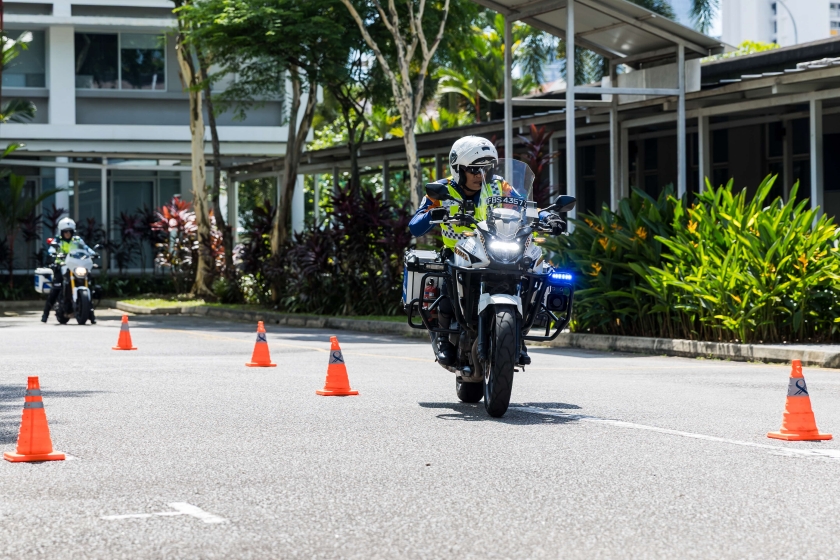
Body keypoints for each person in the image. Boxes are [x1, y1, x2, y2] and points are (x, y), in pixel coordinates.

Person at [409, 135, 531, 367]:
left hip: (492, 250)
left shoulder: (499, 186)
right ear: (458, 169)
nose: (480, 175)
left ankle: (518, 336)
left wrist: (546, 216)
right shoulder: (442, 190)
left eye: (486, 169)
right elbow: (415, 226)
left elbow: (524, 206)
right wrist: (433, 213)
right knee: (447, 282)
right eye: (474, 169)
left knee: (525, 276)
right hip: (458, 253)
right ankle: (444, 340)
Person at [41, 217, 97, 324]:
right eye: (65, 231)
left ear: (73, 231)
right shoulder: (57, 240)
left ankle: (91, 314)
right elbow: (51, 249)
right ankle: (45, 314)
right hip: (61, 266)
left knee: (88, 284)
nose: (67, 233)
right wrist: (53, 252)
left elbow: (85, 248)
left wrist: (93, 253)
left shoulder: (77, 240)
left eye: (69, 231)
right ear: (61, 232)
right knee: (56, 288)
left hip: (76, 265)